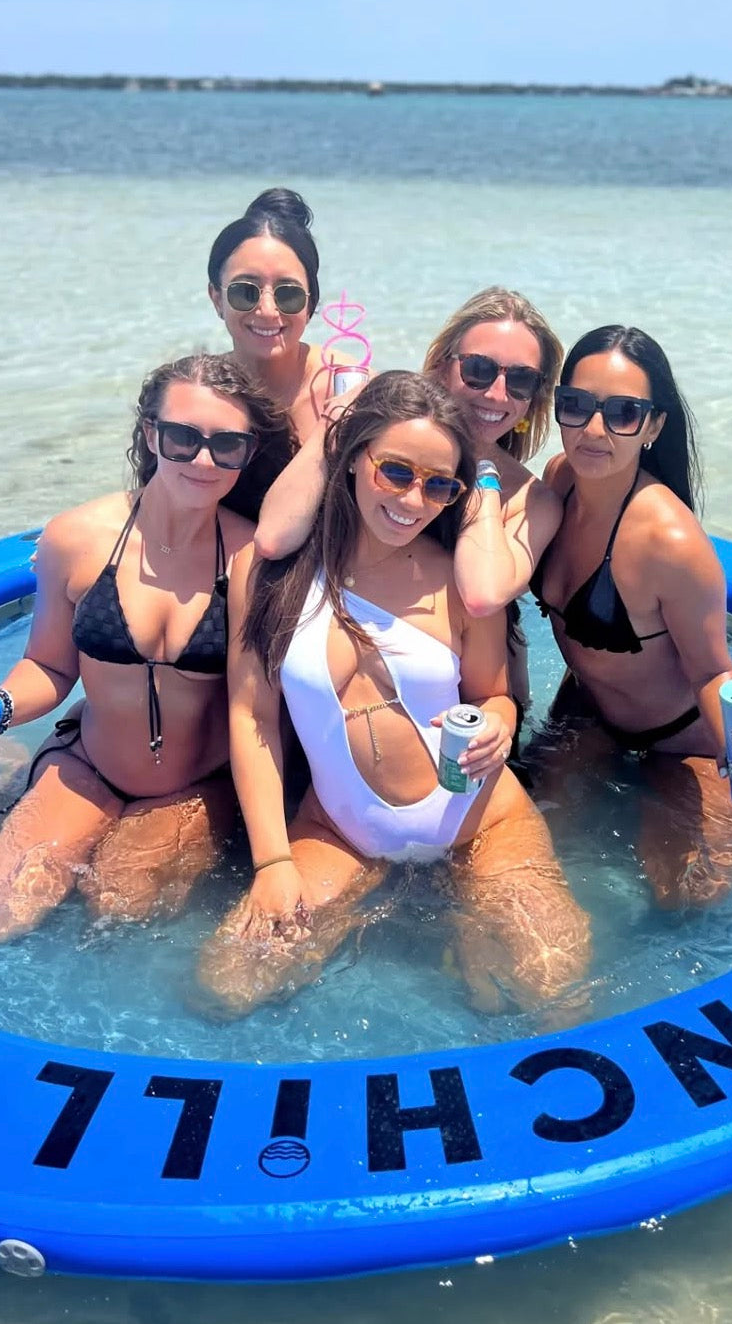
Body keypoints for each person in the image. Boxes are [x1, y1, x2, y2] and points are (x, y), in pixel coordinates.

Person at [197, 371, 589, 1016]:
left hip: (482, 822)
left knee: (552, 994)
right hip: (341, 831)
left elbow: (494, 694)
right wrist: (272, 863)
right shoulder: (267, 573)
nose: (414, 500)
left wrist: (498, 721)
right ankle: (451, 935)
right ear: (354, 458)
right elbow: (252, 717)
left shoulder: (455, 578)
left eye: (439, 485)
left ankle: (465, 929)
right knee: (227, 985)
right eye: (396, 472)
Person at [0, 354, 292, 943]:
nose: (203, 460)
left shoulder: (251, 558)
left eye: (227, 445)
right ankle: (18, 772)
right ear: (151, 434)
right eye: (183, 438)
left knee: (120, 907)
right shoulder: (76, 538)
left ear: (248, 451)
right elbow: (49, 665)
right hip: (92, 764)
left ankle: (15, 784)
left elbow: (257, 710)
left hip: (196, 781)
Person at [527, 326, 732, 908]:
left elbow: (712, 670)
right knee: (525, 850)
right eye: (576, 405)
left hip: (681, 740)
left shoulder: (670, 542)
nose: (594, 429)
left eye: (623, 413)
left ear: (653, 426)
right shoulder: (559, 480)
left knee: (688, 897)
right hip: (587, 714)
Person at [255, 286, 566, 717]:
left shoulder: (531, 502)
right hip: (361, 683)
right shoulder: (385, 448)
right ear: (440, 368)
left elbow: (481, 594)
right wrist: (336, 425)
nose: (497, 394)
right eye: (478, 370)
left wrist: (482, 475)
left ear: (535, 397)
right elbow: (273, 537)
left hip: (479, 707)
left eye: (521, 380)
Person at [207, 187, 348, 443]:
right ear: (216, 298)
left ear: (310, 302)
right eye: (246, 291)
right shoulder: (199, 394)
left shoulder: (351, 388)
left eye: (288, 294)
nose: (268, 311)